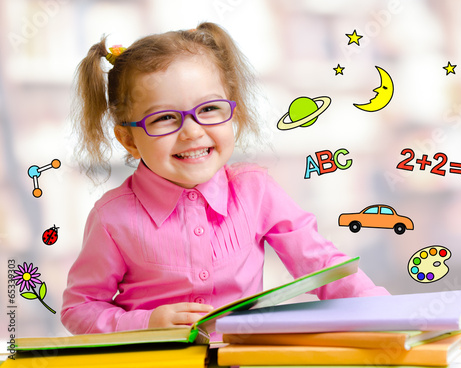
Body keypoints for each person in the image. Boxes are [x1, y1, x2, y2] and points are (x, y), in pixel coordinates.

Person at [61, 22, 389, 336]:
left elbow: (322, 266)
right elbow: (79, 309)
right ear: (129, 139)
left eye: (209, 110)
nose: (191, 132)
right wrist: (146, 322)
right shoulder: (111, 218)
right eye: (164, 118)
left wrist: (381, 312)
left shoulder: (255, 190)